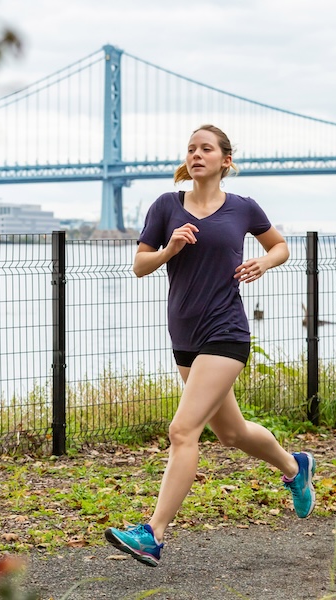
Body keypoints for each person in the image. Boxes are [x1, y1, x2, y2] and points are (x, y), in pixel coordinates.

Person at [103, 124, 315, 568]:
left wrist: (262, 262)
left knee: (183, 431)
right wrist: (170, 248)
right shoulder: (166, 206)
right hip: (184, 336)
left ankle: (152, 535)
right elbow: (141, 265)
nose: (197, 154)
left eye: (206, 149)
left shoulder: (242, 208)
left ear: (225, 161)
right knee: (231, 432)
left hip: (226, 334)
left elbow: (280, 246)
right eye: (191, 149)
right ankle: (295, 467)